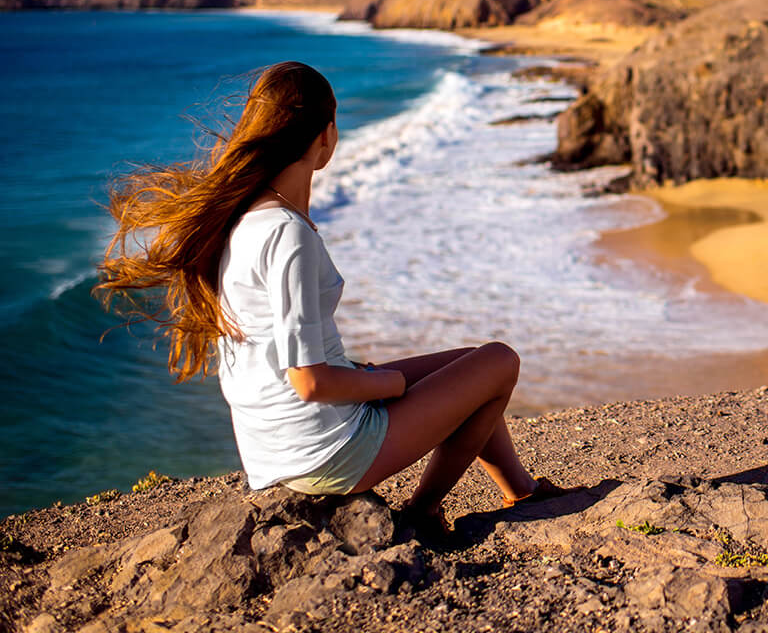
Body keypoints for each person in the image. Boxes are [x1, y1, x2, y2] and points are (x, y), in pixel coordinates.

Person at [98, 62, 564, 530]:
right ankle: (422, 511)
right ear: (325, 136)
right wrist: (389, 385)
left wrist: (366, 378)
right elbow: (310, 382)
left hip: (277, 443)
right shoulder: (286, 234)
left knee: (467, 364)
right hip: (323, 449)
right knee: (500, 361)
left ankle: (521, 490)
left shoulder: (245, 216)